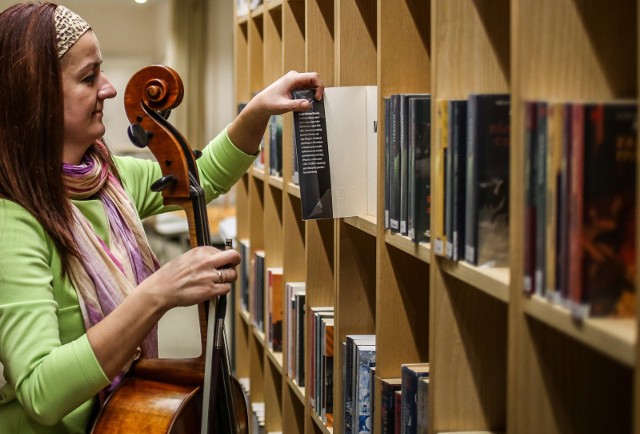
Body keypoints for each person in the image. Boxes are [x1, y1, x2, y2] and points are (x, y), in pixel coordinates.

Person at [0, 2, 324, 433]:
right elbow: (41, 392)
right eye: (89, 77)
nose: (110, 89)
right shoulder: (13, 221)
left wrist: (258, 111)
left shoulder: (107, 179)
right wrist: (158, 293)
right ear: (36, 96)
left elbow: (199, 177)